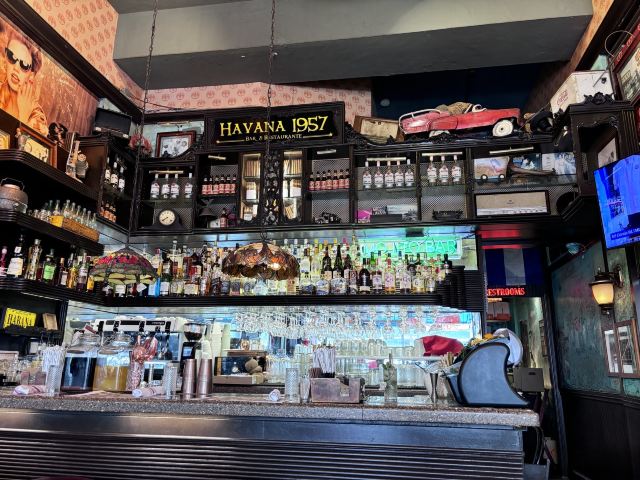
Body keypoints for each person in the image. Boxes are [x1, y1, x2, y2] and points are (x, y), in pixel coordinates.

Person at [0, 28, 47, 135]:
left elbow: (29, 145)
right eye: (11, 57)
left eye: (24, 65)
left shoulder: (37, 115)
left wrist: (24, 117)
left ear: (32, 75)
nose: (16, 68)